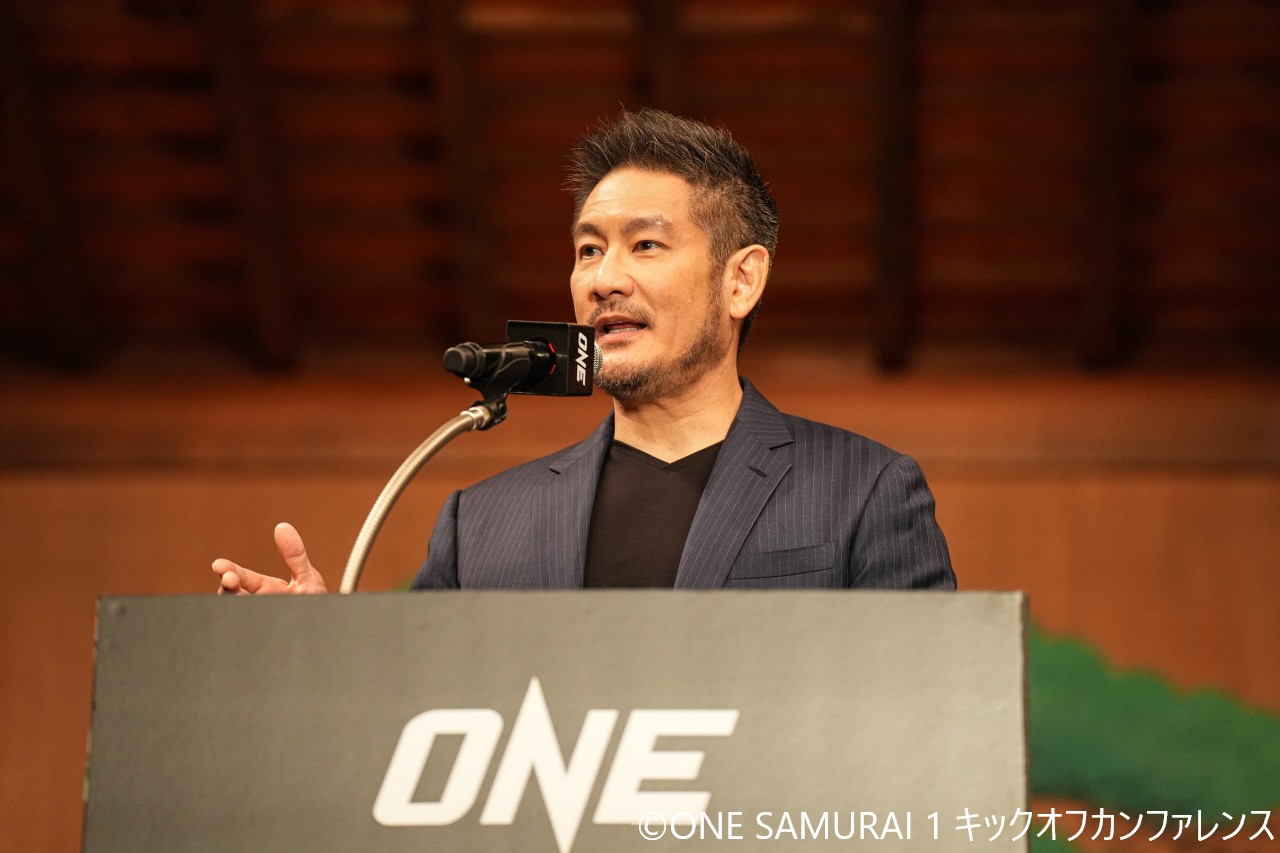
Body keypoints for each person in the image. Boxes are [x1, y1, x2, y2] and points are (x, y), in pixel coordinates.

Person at [213, 109, 955, 595]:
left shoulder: (864, 491)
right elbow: (423, 728)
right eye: (589, 249)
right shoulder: (481, 524)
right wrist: (329, 657)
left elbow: (929, 726)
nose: (603, 280)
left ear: (741, 280)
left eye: (646, 244)